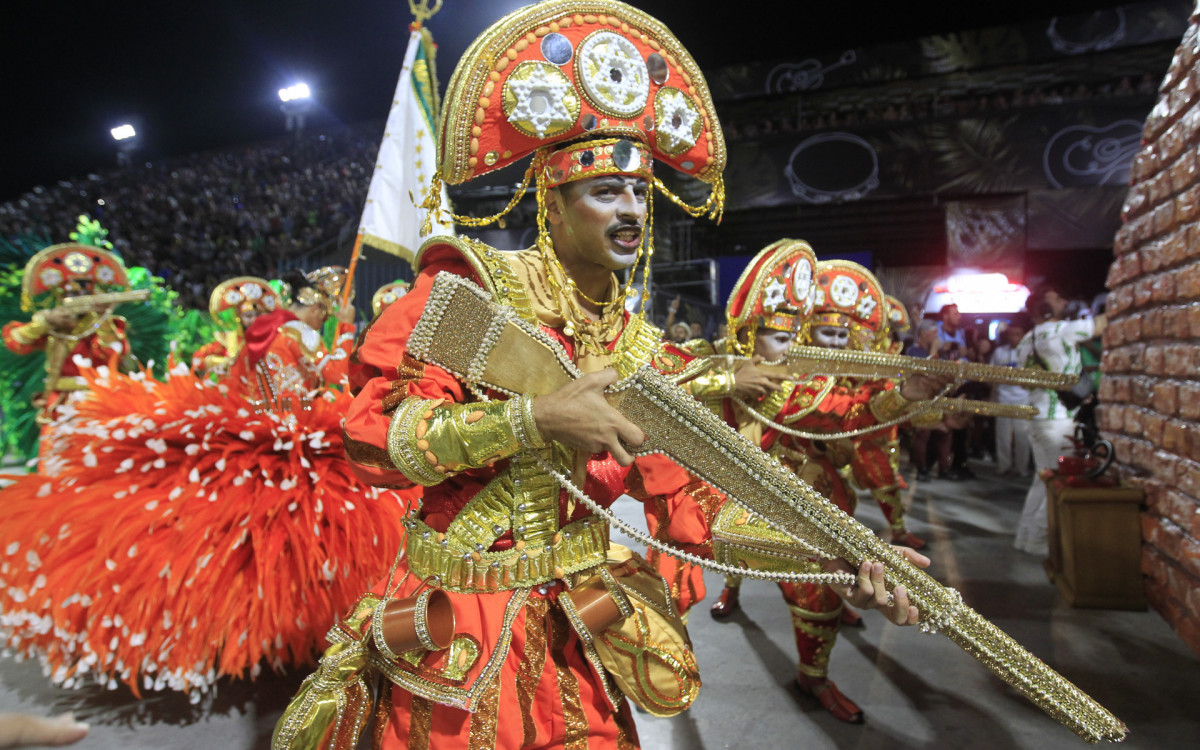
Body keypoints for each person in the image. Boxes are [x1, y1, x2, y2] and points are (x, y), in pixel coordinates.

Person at [306, 4, 926, 748]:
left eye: (640, 192)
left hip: (582, 623)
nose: (631, 210)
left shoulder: (638, 348)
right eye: (606, 192)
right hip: (458, 626)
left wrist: (839, 557)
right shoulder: (470, 297)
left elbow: (696, 502)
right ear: (553, 202)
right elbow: (372, 439)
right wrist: (533, 420)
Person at [0, 265, 414, 697]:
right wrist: (345, 331)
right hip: (294, 446)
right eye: (323, 311)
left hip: (252, 440)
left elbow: (236, 384)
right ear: (311, 306)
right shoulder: (297, 334)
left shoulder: (262, 336)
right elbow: (333, 378)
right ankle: (293, 629)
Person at [705, 254, 944, 723]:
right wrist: (726, 378)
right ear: (747, 340)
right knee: (737, 556)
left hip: (814, 492)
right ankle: (734, 591)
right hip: (753, 501)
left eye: (792, 337)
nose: (792, 348)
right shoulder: (745, 375)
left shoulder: (805, 380)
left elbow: (846, 410)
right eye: (778, 337)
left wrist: (903, 397)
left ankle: (812, 677)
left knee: (819, 592)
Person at [1013, 285, 1106, 556]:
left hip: (1035, 416)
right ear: (1046, 307)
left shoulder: (1026, 340)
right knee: (1059, 481)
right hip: (1058, 418)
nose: (1064, 301)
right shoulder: (1063, 330)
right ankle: (1039, 541)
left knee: (1042, 479)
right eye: (1057, 298)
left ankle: (1025, 538)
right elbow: (1102, 324)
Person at [2, 243, 132, 426]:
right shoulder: (54, 324)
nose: (79, 298)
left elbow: (113, 353)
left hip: (98, 401)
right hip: (58, 402)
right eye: (72, 294)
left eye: (85, 293)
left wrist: (102, 317)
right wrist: (46, 322)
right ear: (60, 297)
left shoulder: (104, 324)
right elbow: (16, 342)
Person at [191, 276, 282, 379]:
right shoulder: (229, 340)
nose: (254, 320)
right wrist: (226, 363)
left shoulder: (273, 337)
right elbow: (198, 358)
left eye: (257, 315)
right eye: (248, 316)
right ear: (239, 317)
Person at [991, 322, 1033, 477]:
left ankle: (1022, 467)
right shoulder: (999, 352)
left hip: (1023, 398)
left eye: (1017, 334)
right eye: (1011, 334)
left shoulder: (1030, 353)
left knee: (1022, 435)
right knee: (1002, 434)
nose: (1014, 338)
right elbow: (992, 375)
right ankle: (1004, 465)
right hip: (1003, 397)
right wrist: (993, 396)